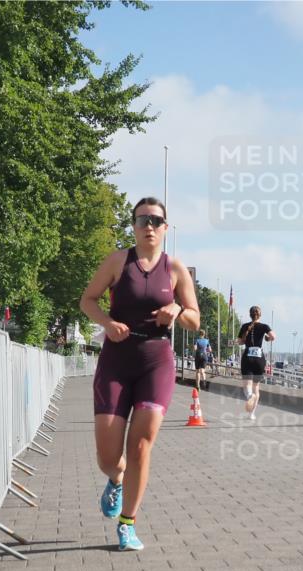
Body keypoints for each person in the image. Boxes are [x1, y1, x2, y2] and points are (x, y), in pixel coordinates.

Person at [80, 197, 199, 551]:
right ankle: (116, 478)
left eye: (156, 220)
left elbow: (195, 318)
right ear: (133, 226)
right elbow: (87, 300)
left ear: (165, 228)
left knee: (141, 446)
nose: (149, 225)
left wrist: (177, 309)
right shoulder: (118, 261)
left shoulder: (176, 269)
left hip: (156, 362)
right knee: (107, 455)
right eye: (142, 219)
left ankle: (127, 523)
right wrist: (107, 322)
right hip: (116, 360)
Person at [237, 306, 275, 421]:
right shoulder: (264, 326)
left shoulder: (244, 326)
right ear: (260, 315)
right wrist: (267, 339)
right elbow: (273, 336)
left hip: (248, 357)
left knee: (246, 386)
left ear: (250, 315)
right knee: (256, 387)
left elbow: (240, 341)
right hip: (259, 359)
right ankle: (252, 414)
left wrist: (242, 340)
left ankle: (249, 396)